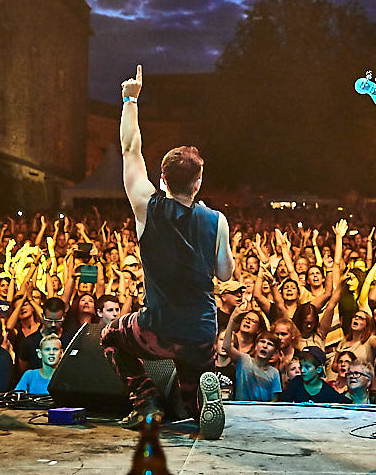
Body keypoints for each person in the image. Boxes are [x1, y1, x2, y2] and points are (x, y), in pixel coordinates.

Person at [100, 65, 234, 440]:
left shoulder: (147, 205)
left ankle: (146, 403)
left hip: (156, 328)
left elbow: (130, 148)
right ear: (199, 181)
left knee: (110, 337)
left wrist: (130, 98)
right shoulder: (217, 220)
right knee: (193, 403)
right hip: (201, 333)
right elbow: (224, 274)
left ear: (161, 177)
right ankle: (203, 396)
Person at [223, 308, 281, 402]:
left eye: (270, 344)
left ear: (275, 352)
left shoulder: (274, 373)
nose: (265, 346)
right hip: (241, 412)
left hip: (261, 414)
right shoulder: (244, 359)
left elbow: (274, 400)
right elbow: (226, 346)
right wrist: (233, 319)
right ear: (255, 346)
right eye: (262, 342)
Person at [275, 347, 348, 404]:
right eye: (301, 366)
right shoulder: (295, 384)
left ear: (318, 369)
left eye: (307, 367)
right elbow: (283, 406)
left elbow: (346, 404)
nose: (302, 370)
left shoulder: (328, 392)